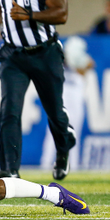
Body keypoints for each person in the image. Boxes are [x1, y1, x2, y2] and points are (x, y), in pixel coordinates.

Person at [0, 0, 76, 180]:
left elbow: (62, 13)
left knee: (54, 112)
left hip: (44, 53)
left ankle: (63, 148)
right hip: (13, 55)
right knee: (9, 111)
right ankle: (9, 170)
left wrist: (30, 15)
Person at [41, 36, 94, 170]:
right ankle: (46, 164)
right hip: (61, 98)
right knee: (53, 131)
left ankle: (73, 166)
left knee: (73, 132)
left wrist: (75, 62)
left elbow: (89, 65)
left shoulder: (80, 60)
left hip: (75, 100)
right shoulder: (59, 59)